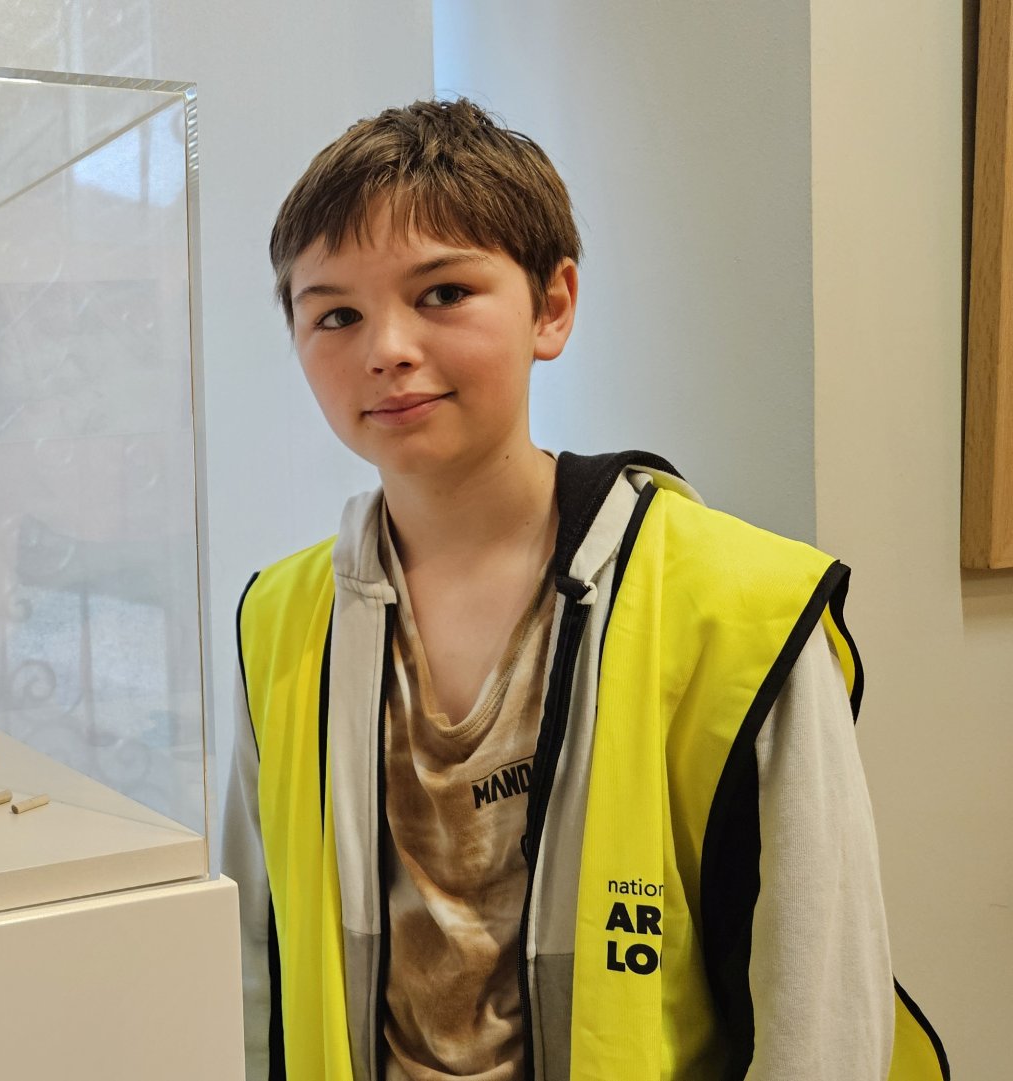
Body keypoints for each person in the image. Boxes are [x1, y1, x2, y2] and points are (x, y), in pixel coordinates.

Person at [222, 99, 947, 1081]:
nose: (385, 346)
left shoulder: (739, 607)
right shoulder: (280, 617)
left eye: (441, 293)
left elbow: (821, 991)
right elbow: (256, 959)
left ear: (552, 305)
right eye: (336, 312)